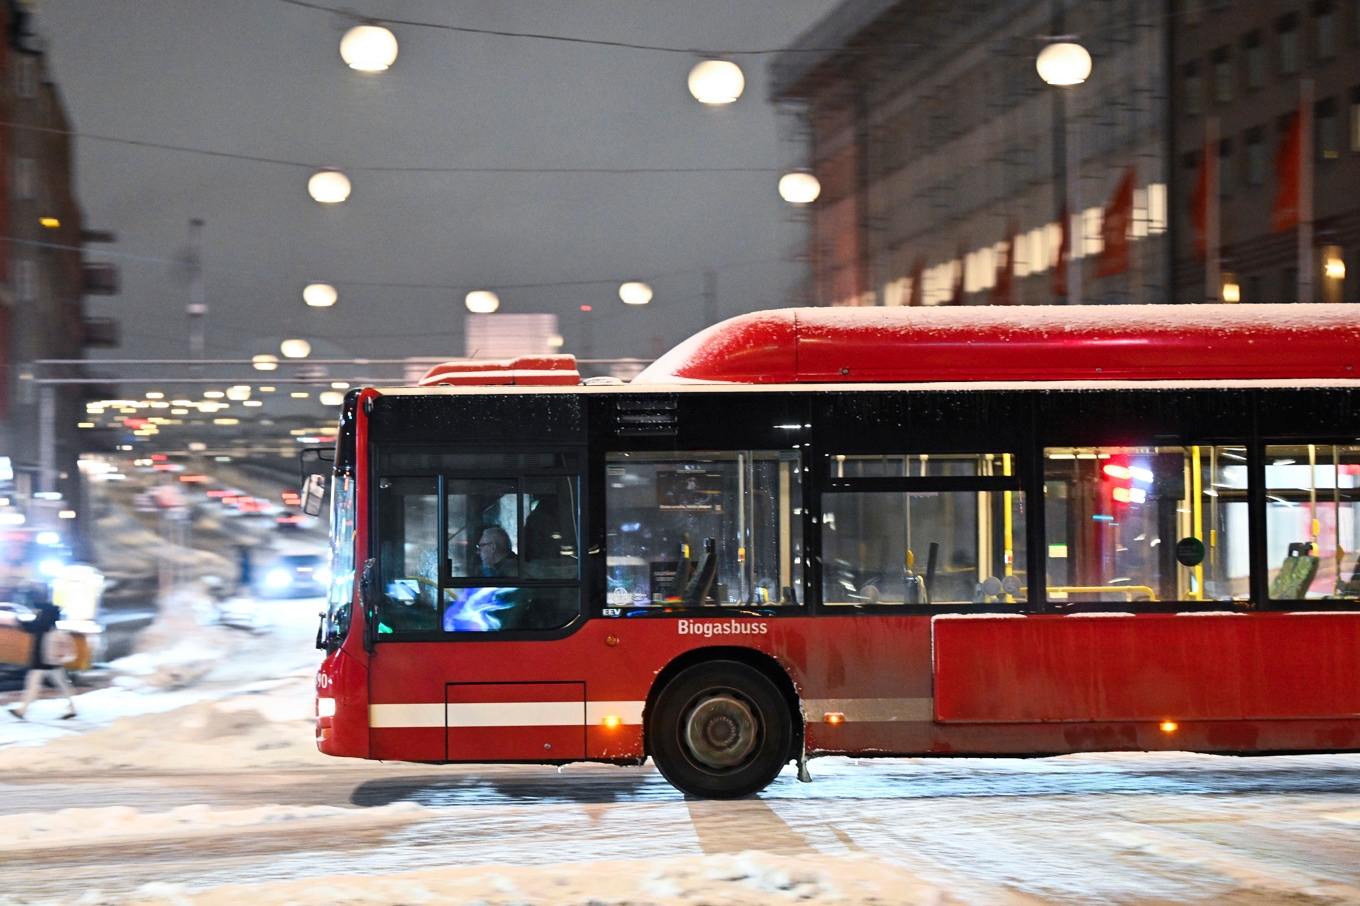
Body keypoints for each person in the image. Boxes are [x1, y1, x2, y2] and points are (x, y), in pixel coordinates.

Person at [8, 587, 77, 721]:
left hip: (42, 658)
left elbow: (32, 627)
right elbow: (35, 625)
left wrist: (19, 620)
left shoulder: (44, 617)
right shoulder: (50, 617)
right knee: (62, 684)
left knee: (33, 684)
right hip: (52, 659)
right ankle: (72, 708)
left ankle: (22, 710)